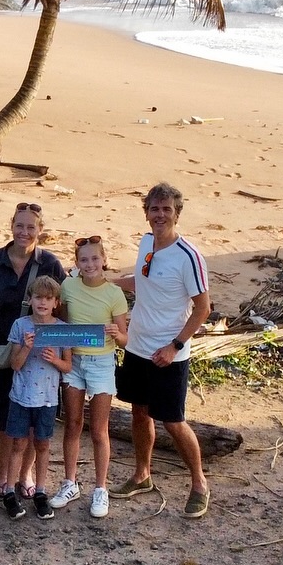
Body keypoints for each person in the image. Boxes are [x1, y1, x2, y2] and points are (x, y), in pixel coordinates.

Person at [111, 182, 212, 519]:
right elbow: (142, 281)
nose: (160, 215)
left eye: (166, 209)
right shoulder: (146, 244)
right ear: (147, 213)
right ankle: (142, 475)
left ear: (176, 213)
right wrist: (106, 281)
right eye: (154, 209)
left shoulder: (189, 256)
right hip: (137, 346)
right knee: (139, 411)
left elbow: (202, 308)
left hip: (168, 353)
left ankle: (199, 483)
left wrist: (175, 345)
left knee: (172, 421)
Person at [0, 203, 66, 500]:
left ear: (40, 230)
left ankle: (25, 473)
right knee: (0, 413)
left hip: (39, 354)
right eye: (20, 225)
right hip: (5, 346)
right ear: (11, 226)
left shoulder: (50, 263)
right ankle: (4, 472)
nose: (24, 232)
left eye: (31, 227)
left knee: (31, 415)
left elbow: (61, 306)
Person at [50, 237, 129, 518]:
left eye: (95, 259)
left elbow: (124, 339)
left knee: (99, 430)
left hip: (101, 363)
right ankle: (70, 482)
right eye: (84, 260)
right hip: (74, 361)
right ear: (77, 264)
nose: (90, 264)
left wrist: (115, 334)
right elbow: (60, 318)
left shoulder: (114, 294)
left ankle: (100, 488)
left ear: (104, 260)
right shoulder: (68, 286)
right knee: (72, 423)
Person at [3, 276, 73, 519]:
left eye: (48, 298)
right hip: (21, 396)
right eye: (38, 297)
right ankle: (9, 492)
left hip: (48, 399)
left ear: (56, 302)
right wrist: (26, 347)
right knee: (18, 444)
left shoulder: (62, 329)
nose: (42, 302)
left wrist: (54, 359)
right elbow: (15, 364)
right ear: (30, 299)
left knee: (43, 445)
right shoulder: (21, 326)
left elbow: (67, 367)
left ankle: (41, 492)